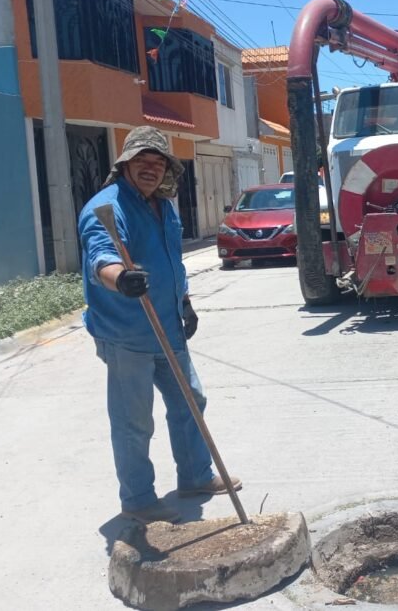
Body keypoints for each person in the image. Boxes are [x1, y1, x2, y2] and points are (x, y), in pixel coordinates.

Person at [78, 126, 241, 524]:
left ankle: (195, 476)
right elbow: (101, 256)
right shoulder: (107, 207)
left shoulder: (164, 206)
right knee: (134, 421)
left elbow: (173, 261)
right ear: (125, 165)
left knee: (191, 402)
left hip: (168, 326)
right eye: (141, 161)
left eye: (158, 162)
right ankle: (138, 499)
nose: (150, 168)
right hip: (127, 335)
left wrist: (184, 302)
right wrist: (121, 279)